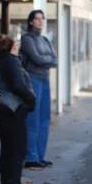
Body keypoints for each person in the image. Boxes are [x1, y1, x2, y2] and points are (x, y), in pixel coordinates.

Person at [0, 35, 38, 184]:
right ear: (11, 47)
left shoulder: (0, 60)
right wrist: (31, 99)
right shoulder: (12, 60)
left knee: (7, 149)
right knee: (17, 150)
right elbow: (18, 85)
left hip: (1, 111)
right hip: (13, 111)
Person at [19, 10, 57, 169]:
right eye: (37, 19)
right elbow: (37, 59)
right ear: (31, 22)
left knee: (45, 119)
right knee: (33, 119)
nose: (41, 21)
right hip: (33, 79)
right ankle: (31, 157)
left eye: (43, 18)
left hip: (45, 79)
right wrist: (46, 60)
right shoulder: (27, 39)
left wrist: (45, 60)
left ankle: (40, 155)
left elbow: (54, 60)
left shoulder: (45, 40)